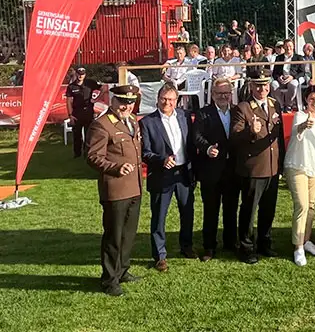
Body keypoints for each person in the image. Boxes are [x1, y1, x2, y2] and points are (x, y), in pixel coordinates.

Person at [85, 85, 142, 296]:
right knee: (114, 236)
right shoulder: (101, 125)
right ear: (113, 101)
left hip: (134, 187)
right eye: (122, 102)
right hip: (116, 189)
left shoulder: (132, 121)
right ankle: (109, 280)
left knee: (128, 234)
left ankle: (122, 270)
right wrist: (115, 167)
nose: (126, 106)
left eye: (130, 102)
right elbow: (93, 156)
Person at [231, 67, 285, 264]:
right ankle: (246, 247)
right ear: (251, 86)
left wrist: (281, 163)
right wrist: (250, 132)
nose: (262, 89)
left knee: (268, 209)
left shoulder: (274, 104)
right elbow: (234, 138)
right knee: (249, 210)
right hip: (254, 169)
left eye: (265, 85)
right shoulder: (243, 108)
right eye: (258, 86)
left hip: (272, 167)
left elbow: (279, 138)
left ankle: (265, 242)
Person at [140, 83, 196, 271]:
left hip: (184, 173)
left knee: (187, 212)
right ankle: (159, 255)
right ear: (157, 99)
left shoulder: (185, 116)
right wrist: (161, 160)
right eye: (164, 99)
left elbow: (190, 144)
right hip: (161, 174)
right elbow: (145, 152)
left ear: (177, 101)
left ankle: (186, 246)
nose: (167, 103)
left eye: (171, 99)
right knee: (159, 216)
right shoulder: (147, 122)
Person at [193, 78, 239, 261]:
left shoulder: (237, 111)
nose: (223, 96)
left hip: (232, 170)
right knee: (211, 210)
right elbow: (196, 136)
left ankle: (230, 242)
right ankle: (209, 247)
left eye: (226, 93)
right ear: (212, 95)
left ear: (231, 94)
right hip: (211, 170)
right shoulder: (203, 113)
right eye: (219, 93)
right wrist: (207, 148)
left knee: (231, 208)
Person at [285, 84, 315, 266]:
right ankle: (298, 247)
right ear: (306, 100)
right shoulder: (300, 116)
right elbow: (297, 131)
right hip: (297, 166)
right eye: (311, 99)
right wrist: (304, 125)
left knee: (311, 207)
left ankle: (306, 239)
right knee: (301, 206)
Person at [66, 66, 101, 158]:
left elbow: (103, 88)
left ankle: (87, 153)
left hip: (88, 112)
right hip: (76, 113)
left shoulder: (90, 83)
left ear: (85, 75)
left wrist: (97, 99)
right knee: (77, 135)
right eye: (79, 74)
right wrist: (70, 115)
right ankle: (77, 154)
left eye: (82, 74)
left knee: (89, 134)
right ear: (76, 74)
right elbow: (68, 101)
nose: (80, 76)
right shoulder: (71, 86)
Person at [271, 39, 305, 113]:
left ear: (293, 47)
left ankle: (289, 105)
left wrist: (292, 77)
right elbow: (274, 73)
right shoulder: (279, 58)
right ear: (284, 47)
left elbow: (302, 72)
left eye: (290, 46)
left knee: (293, 84)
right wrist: (278, 77)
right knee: (273, 84)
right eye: (286, 46)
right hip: (281, 80)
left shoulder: (298, 58)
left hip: (292, 79)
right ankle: (281, 105)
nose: (288, 48)